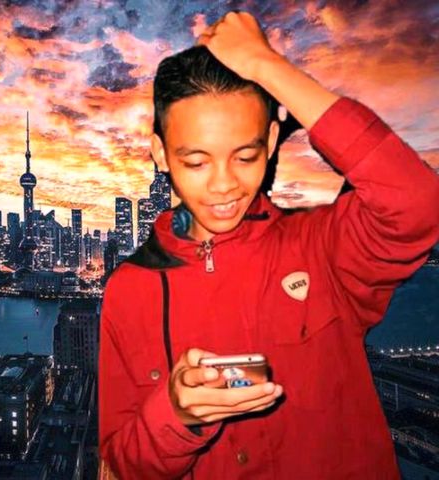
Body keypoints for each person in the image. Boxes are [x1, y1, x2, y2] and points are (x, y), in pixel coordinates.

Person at [98, 11, 439, 480]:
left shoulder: (322, 248)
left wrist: (267, 65)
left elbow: (417, 204)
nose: (224, 185)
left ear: (272, 141)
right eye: (196, 162)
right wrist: (177, 417)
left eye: (246, 156)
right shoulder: (129, 290)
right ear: (161, 155)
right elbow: (123, 462)